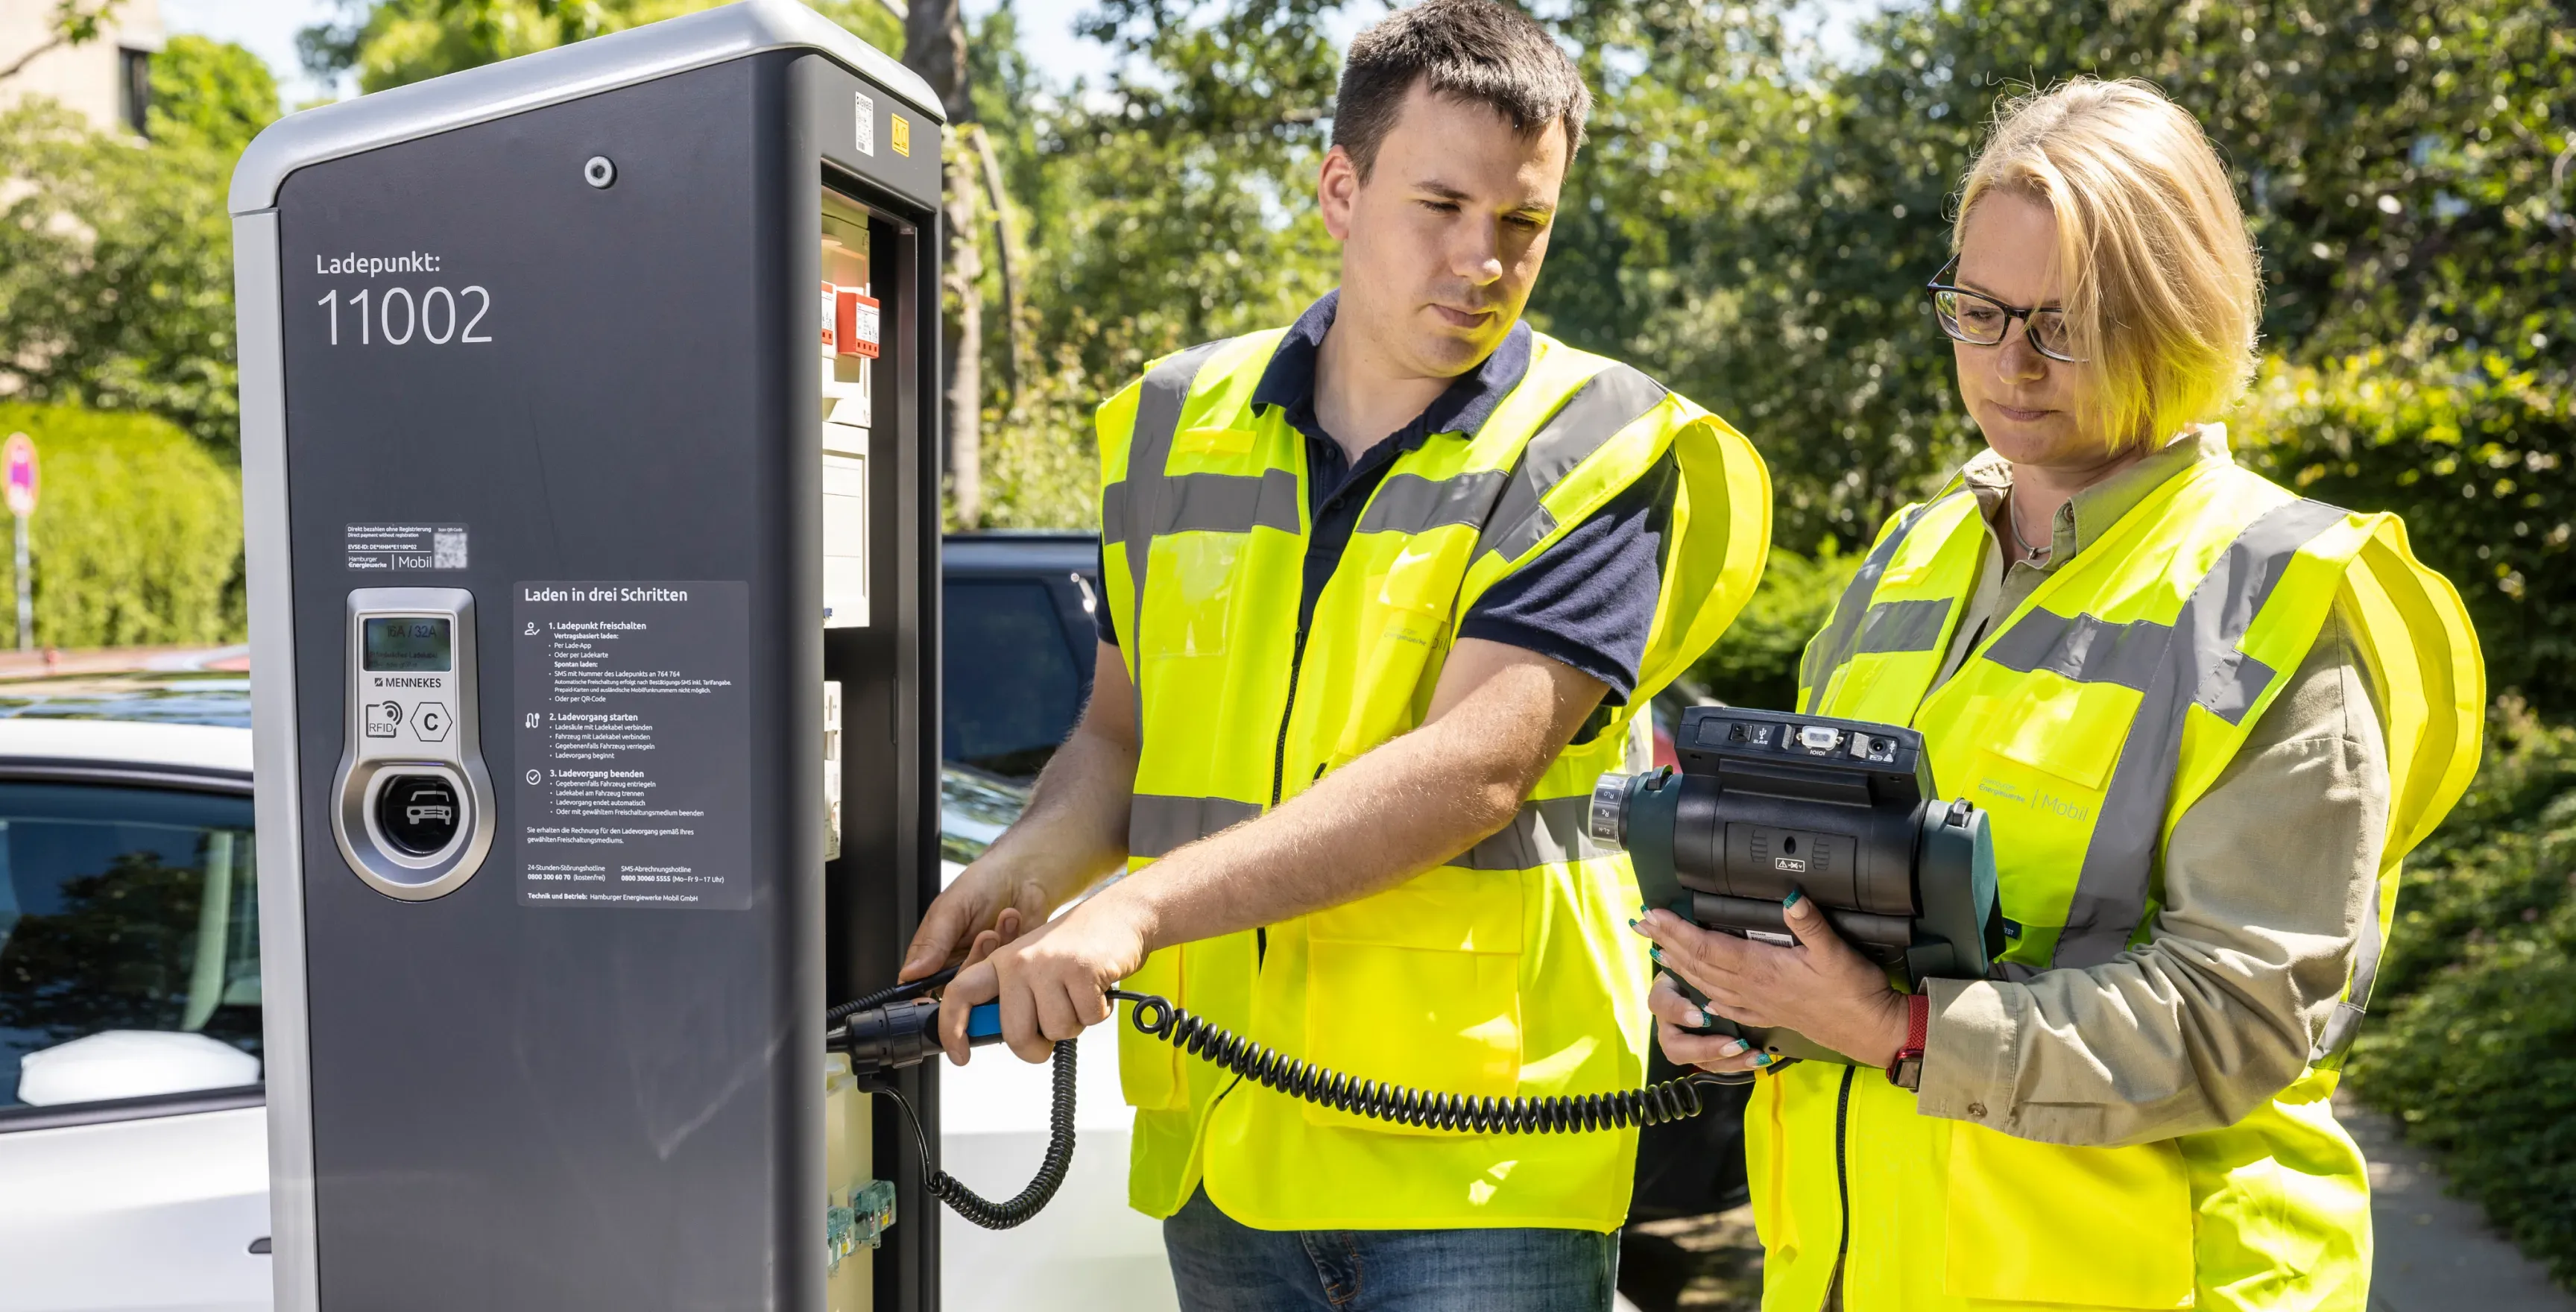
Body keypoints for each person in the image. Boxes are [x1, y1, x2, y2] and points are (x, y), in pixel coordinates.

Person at [898, 0, 1770, 1305]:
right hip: (1226, 1150)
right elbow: (1120, 741)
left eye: (1522, 223)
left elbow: (1471, 771)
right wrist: (1026, 872)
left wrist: (1131, 910)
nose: (1484, 259)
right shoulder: (1170, 422)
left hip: (1480, 1172)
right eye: (1443, 206)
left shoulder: (1596, 447)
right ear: (1340, 189)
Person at [1635, 79, 2483, 1312]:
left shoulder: (2276, 597)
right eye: (1978, 312)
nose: (2009, 364)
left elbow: (2242, 1015)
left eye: (2063, 324)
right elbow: (1828, 908)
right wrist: (1732, 991)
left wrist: (1902, 1031)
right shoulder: (1908, 561)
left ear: (2177, 314)